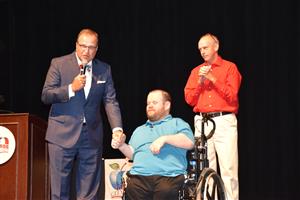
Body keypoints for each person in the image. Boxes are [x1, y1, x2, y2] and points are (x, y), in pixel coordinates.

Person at [41, 28, 124, 200]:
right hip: (61, 135)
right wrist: (71, 88)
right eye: (83, 46)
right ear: (76, 45)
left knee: (89, 191)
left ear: (97, 48)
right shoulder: (59, 64)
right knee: (59, 190)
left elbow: (110, 100)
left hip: (91, 135)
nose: (87, 51)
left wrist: (117, 128)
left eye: (91, 47)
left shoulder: (104, 69)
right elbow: (46, 95)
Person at [184, 33, 242, 200]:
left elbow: (232, 95)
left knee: (228, 169)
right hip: (202, 121)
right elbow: (189, 99)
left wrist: (213, 79)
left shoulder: (229, 68)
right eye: (200, 49)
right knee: (204, 169)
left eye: (205, 47)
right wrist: (200, 82)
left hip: (224, 120)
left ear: (216, 47)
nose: (202, 51)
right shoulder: (196, 71)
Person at [111, 89, 194, 200]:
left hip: (169, 176)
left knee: (165, 190)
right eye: (148, 103)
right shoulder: (139, 130)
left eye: (154, 103)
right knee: (132, 187)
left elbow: (189, 142)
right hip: (139, 177)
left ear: (167, 105)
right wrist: (121, 145)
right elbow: (133, 155)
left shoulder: (177, 123)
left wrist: (165, 139)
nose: (150, 106)